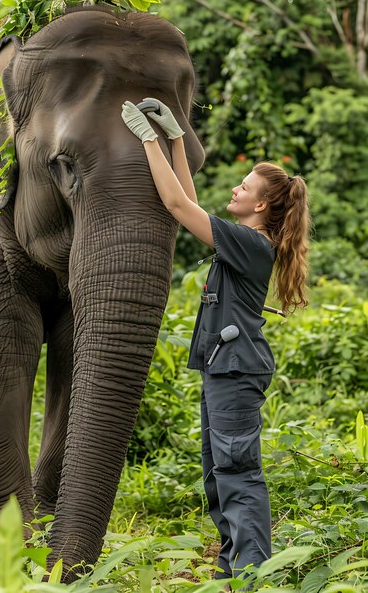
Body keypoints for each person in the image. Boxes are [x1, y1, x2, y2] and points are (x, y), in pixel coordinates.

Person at [121, 99, 311, 591]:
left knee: (237, 472)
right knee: (217, 471)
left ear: (261, 206)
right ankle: (232, 567)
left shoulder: (251, 244)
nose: (235, 188)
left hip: (235, 370)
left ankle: (252, 575)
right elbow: (192, 199)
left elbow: (179, 206)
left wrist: (147, 139)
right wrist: (176, 138)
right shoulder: (242, 238)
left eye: (244, 187)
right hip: (223, 368)